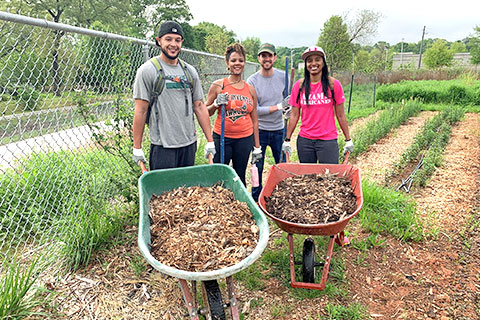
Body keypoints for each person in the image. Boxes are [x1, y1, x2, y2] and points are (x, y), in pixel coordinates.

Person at [132, 21, 215, 170]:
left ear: (182, 42)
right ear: (159, 41)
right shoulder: (147, 71)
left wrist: (210, 140)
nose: (173, 44)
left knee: (185, 190)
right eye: (168, 39)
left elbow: (200, 107)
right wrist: (136, 147)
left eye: (177, 40)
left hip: (188, 144)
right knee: (164, 192)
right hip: (162, 146)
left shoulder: (189, 71)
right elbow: (141, 110)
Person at [282, 46, 354, 164]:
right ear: (306, 64)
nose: (313, 63)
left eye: (317, 59)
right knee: (308, 179)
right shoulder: (299, 86)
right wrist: (287, 140)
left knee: (329, 177)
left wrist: (348, 139)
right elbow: (294, 115)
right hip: (305, 141)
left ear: (323, 62)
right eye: (309, 61)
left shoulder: (333, 85)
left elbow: (340, 115)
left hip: (328, 141)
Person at [205, 43, 262, 187]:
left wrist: (257, 147)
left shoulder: (250, 90)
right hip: (222, 138)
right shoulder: (218, 86)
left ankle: (240, 203)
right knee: (218, 176)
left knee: (239, 175)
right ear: (227, 63)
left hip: (244, 139)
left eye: (241, 60)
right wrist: (216, 103)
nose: (237, 63)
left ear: (244, 63)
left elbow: (255, 120)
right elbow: (205, 113)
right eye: (234, 60)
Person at [246, 43, 290, 202]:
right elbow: (254, 109)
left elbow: (288, 100)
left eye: (269, 55)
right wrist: (278, 107)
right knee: (257, 166)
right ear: (259, 58)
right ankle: (256, 199)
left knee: (282, 166)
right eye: (263, 56)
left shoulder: (283, 77)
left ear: (275, 57)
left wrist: (288, 109)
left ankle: (283, 197)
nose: (267, 59)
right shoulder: (252, 81)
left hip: (279, 129)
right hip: (260, 131)